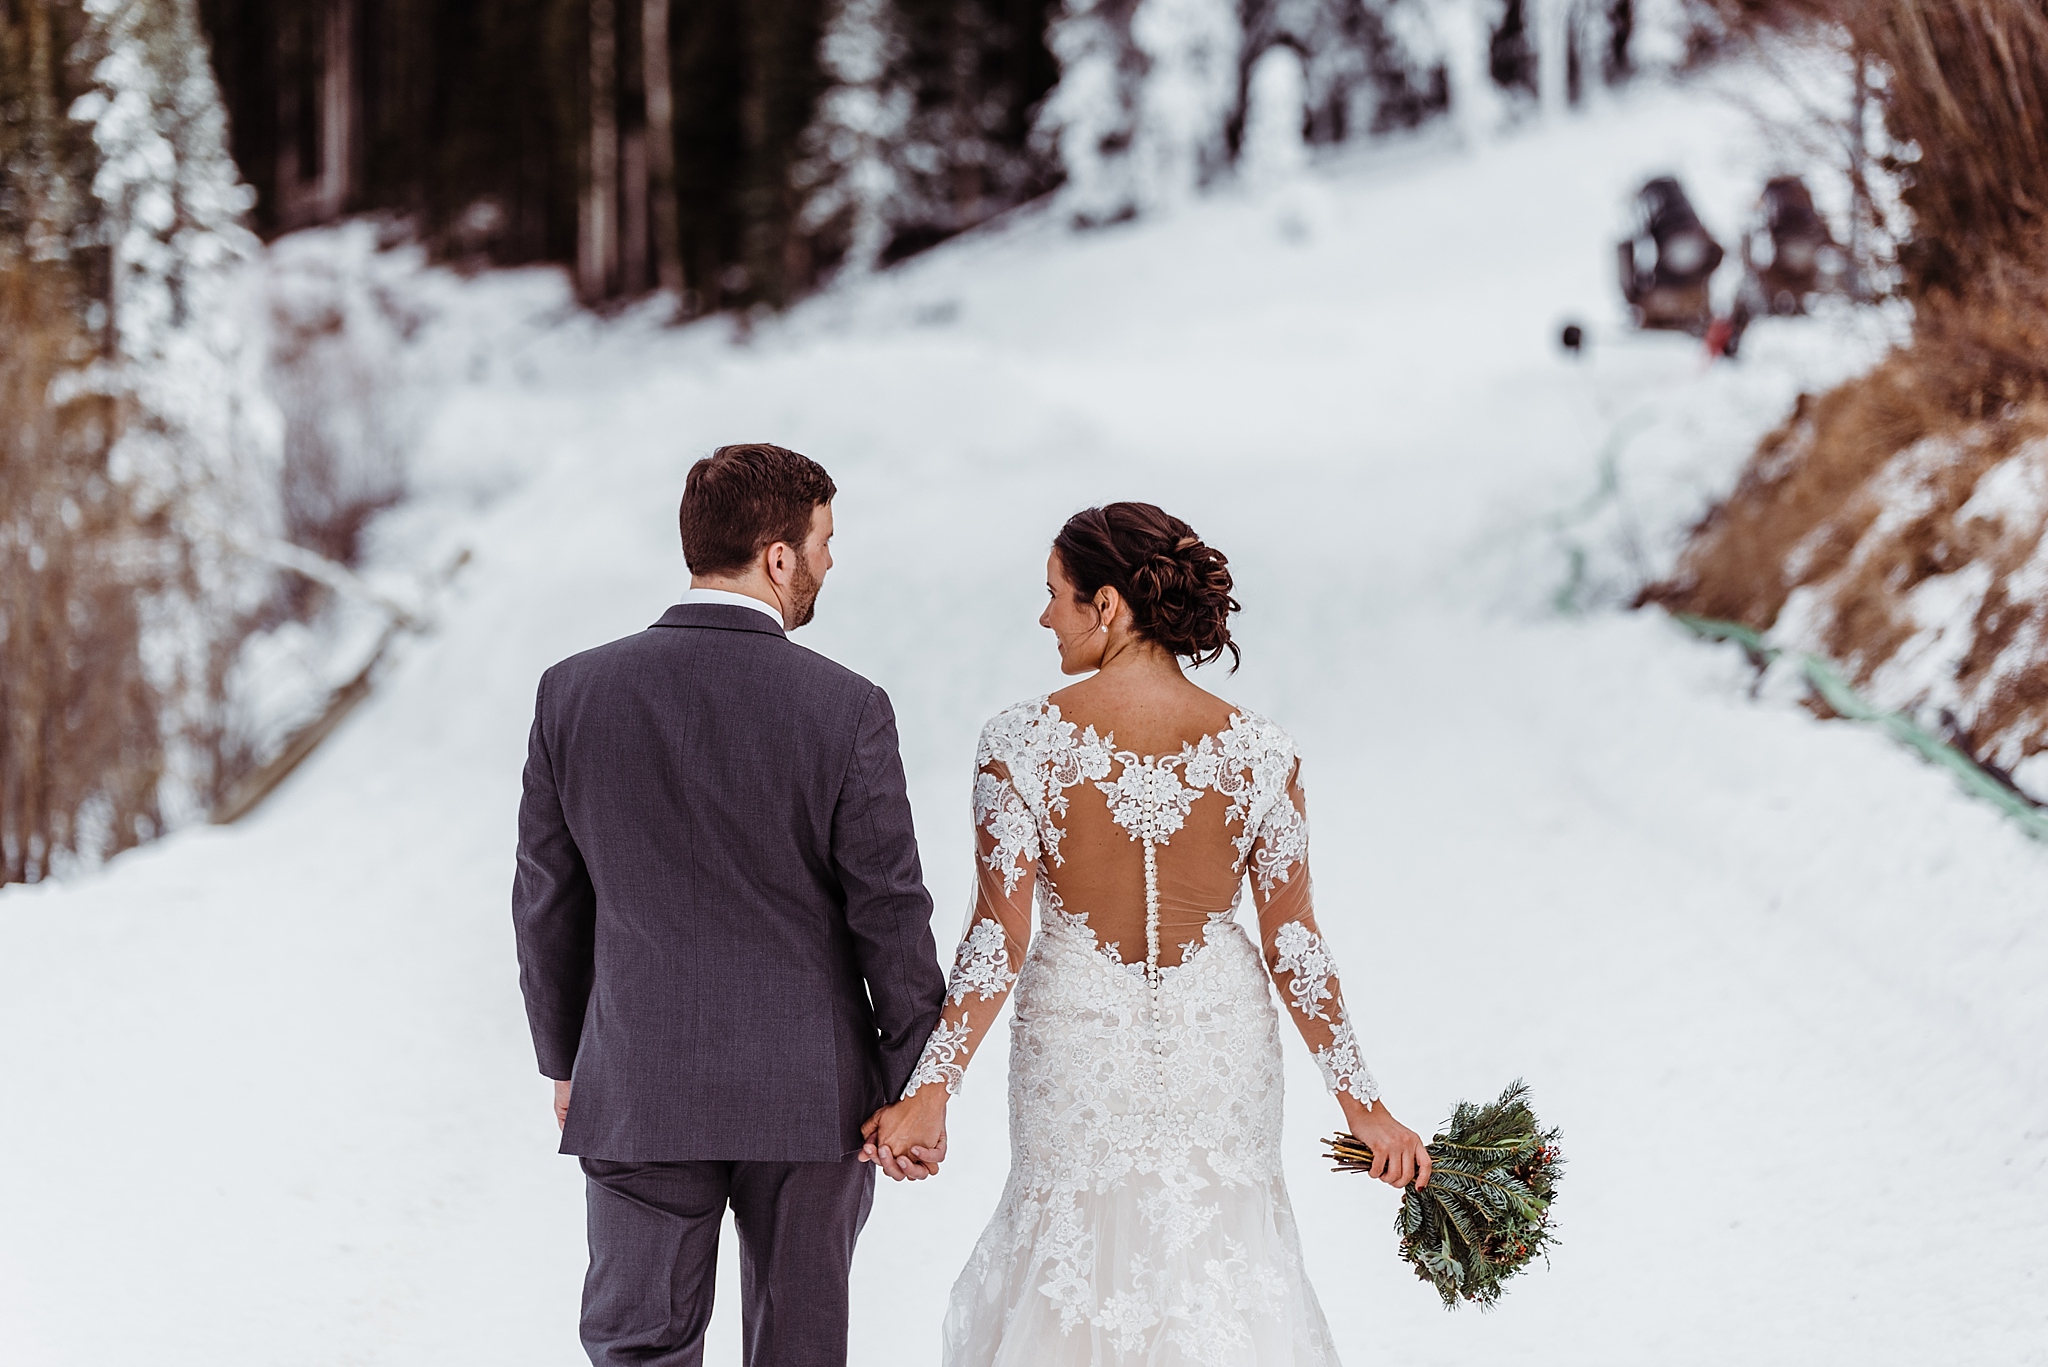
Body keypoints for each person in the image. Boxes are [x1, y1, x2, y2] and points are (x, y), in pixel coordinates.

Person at [864, 502, 1432, 1366]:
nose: (1044, 617)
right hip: (1221, 1052)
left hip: (1075, 1052)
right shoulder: (1262, 752)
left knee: (1069, 1263)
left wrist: (934, 1086)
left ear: (1107, 605)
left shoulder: (1018, 744)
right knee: (1223, 1260)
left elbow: (998, 936)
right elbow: (1295, 947)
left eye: (1055, 595)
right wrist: (1369, 1109)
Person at [512, 442, 947, 1367]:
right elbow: (892, 914)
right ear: (778, 555)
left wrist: (566, 1058)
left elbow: (547, 900)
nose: (830, 561)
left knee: (638, 1348)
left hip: (636, 1080)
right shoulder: (847, 707)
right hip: (811, 1095)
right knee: (797, 1349)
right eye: (825, 541)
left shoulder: (573, 693)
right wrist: (917, 1079)